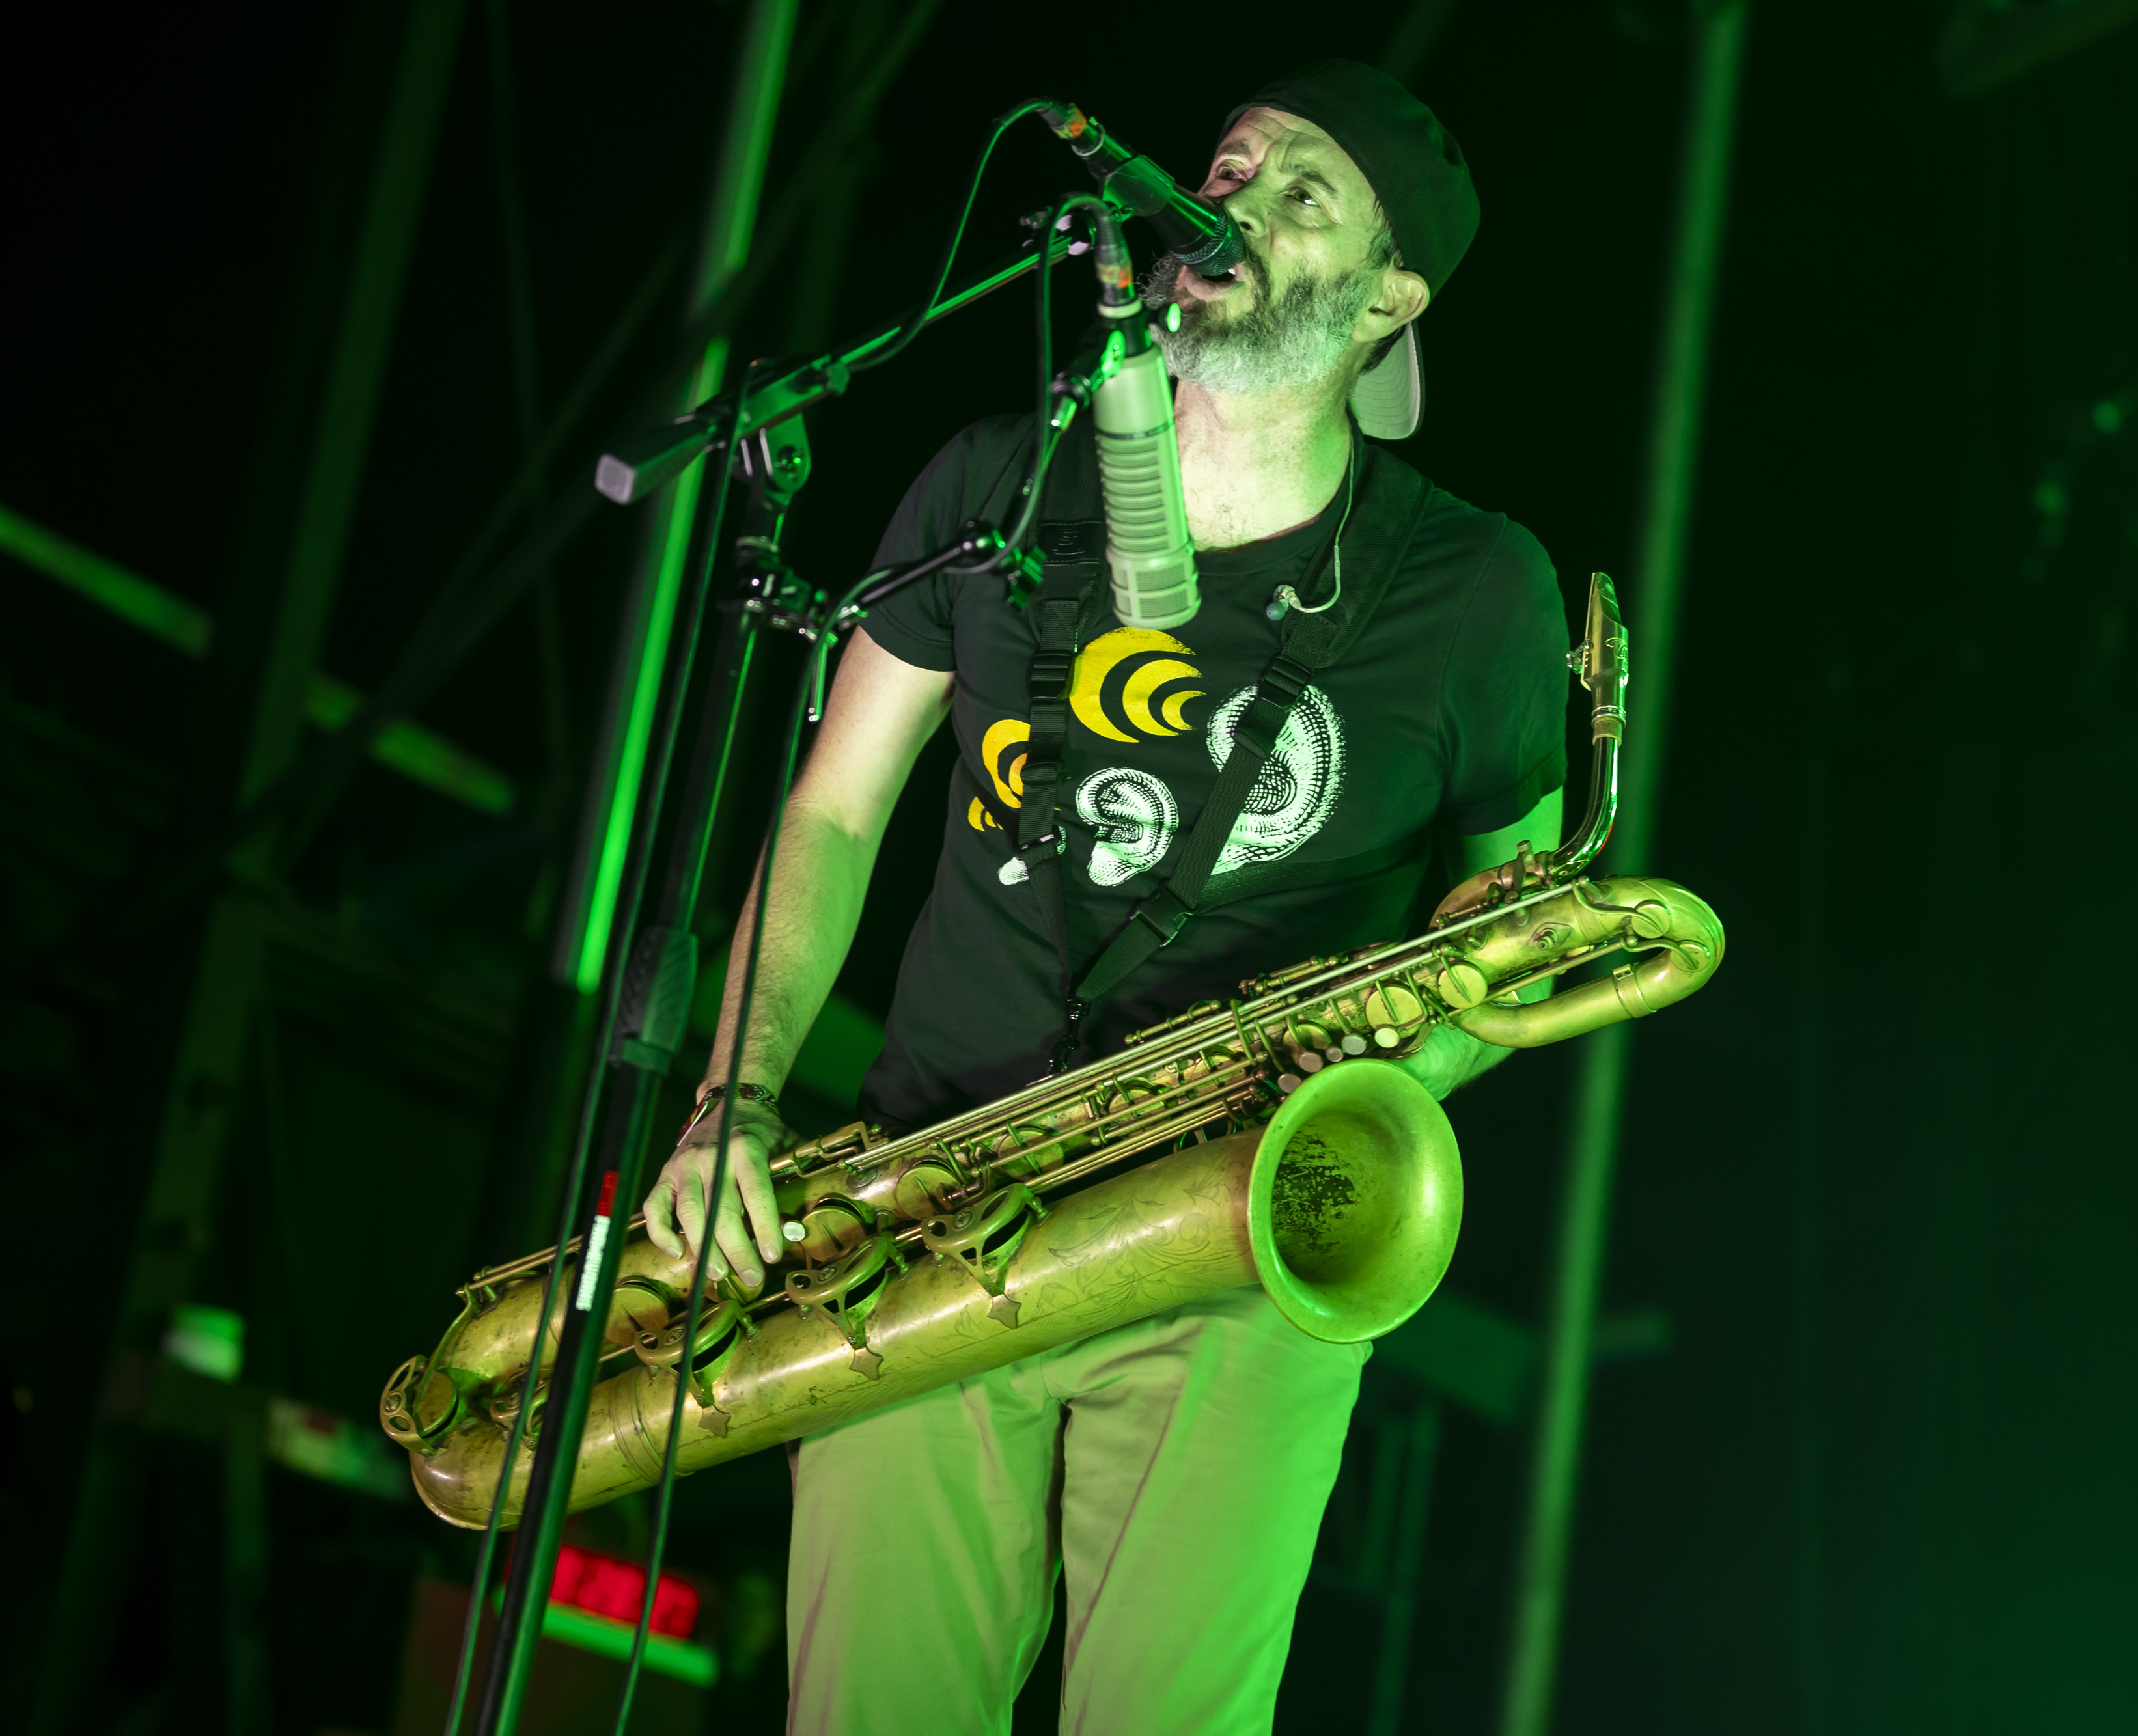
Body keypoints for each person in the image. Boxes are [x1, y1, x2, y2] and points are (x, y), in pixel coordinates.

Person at [644, 59, 1571, 1734]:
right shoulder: (994, 479)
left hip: (1229, 1237)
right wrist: (735, 1101)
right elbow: (833, 810)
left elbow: (1520, 914)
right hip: (919, 1211)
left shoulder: (1477, 586)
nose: (1233, 202)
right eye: (1228, 164)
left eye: (1306, 194)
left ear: (1391, 297)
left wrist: (1386, 1085)